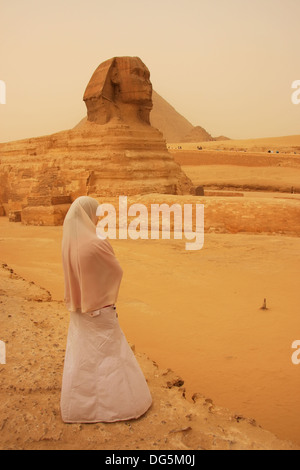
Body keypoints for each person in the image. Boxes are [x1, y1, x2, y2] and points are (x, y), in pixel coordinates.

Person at [60, 196, 152, 423]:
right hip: (101, 308)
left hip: (79, 309)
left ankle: (79, 409)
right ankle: (121, 407)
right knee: (110, 356)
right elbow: (116, 270)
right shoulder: (96, 241)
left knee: (83, 357)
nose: (98, 218)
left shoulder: (68, 243)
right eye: (96, 214)